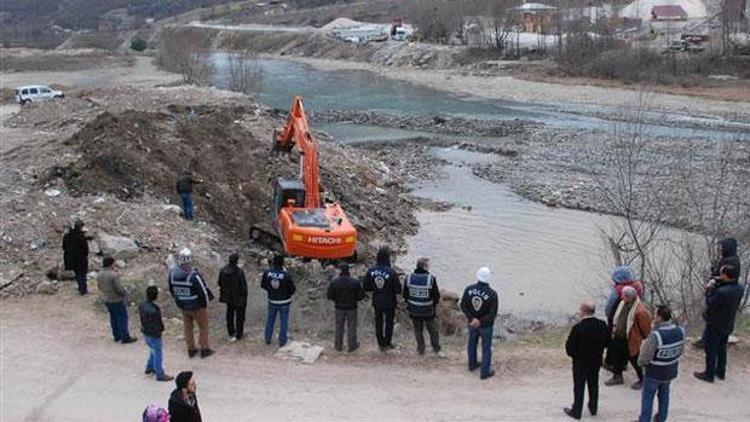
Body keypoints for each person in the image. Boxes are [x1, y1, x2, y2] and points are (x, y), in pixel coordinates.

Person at [694, 265, 745, 383]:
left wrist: (709, 289)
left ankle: (709, 374)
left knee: (710, 349)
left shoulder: (722, 292)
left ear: (726, 276)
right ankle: (721, 372)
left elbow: (710, 302)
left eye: (722, 274)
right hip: (728, 323)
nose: (720, 276)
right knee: (722, 348)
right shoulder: (739, 288)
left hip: (715, 324)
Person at [637, 305, 685, 422]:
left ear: (659, 317)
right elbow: (680, 350)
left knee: (648, 398)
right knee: (664, 395)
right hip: (670, 371)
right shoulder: (680, 331)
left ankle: (645, 420)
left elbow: (645, 357)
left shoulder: (656, 336)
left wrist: (641, 364)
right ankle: (661, 418)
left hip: (654, 372)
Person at [563, 300, 609, 420]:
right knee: (593, 384)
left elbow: (569, 348)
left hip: (580, 362)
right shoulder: (602, 325)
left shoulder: (578, 328)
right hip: (596, 360)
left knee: (579, 386)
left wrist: (575, 355)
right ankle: (593, 408)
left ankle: (576, 410)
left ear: (584, 312)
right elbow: (607, 342)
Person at [694, 238, 741, 349]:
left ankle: (707, 341)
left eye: (723, 248)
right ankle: (708, 339)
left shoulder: (729, 261)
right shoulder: (734, 259)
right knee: (721, 319)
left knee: (712, 316)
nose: (721, 250)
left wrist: (712, 283)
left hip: (720, 291)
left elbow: (723, 276)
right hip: (727, 293)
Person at [168, 248, 215, 358]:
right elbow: (203, 291)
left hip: (183, 306)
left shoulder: (172, 274)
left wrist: (178, 300)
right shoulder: (193, 276)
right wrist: (205, 304)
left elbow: (171, 290)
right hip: (197, 306)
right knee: (203, 327)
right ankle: (204, 349)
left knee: (187, 328)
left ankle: (191, 349)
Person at [605, 286, 651, 389]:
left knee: (634, 359)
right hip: (618, 335)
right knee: (617, 356)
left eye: (623, 296)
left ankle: (643, 378)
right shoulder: (622, 303)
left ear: (630, 298)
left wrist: (641, 338)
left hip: (631, 338)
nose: (621, 297)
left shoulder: (640, 310)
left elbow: (645, 328)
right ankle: (617, 376)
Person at [460, 267, 499, 380]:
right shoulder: (492, 294)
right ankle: (485, 372)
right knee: (486, 348)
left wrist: (472, 319)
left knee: (472, 344)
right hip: (486, 326)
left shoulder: (468, 289)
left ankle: (472, 364)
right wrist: (480, 321)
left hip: (472, 324)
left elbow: (463, 305)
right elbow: (493, 313)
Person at [603, 266, 644, 373]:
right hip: (632, 318)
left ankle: (611, 363)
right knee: (627, 341)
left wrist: (609, 316)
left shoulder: (618, 290)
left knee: (613, 341)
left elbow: (609, 306)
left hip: (617, 318)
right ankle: (624, 362)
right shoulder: (638, 286)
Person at [362, 246, 401, 351]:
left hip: (377, 300)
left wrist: (375, 289)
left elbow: (366, 286)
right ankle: (387, 342)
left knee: (378, 322)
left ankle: (380, 343)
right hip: (390, 301)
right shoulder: (391, 272)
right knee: (389, 322)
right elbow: (398, 289)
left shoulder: (371, 270)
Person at [403, 257, 443, 357]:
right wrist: (433, 306)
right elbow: (436, 296)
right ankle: (436, 348)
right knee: (433, 330)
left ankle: (421, 349)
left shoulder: (408, 278)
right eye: (428, 265)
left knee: (418, 330)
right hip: (428, 310)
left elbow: (405, 294)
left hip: (414, 309)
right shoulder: (430, 279)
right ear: (424, 267)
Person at [96, 256, 137, 344]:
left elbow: (99, 287)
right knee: (122, 317)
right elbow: (119, 289)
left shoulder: (99, 274)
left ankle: (116, 335)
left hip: (107, 299)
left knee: (113, 317)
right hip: (116, 299)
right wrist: (125, 294)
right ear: (111, 264)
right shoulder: (113, 275)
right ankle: (125, 337)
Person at [327, 264, 365, 352]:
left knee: (339, 327)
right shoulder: (355, 282)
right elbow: (360, 296)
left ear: (340, 271)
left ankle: (338, 345)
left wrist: (336, 299)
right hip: (352, 308)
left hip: (339, 307)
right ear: (349, 271)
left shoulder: (335, 282)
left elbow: (329, 295)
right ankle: (352, 346)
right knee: (352, 327)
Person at [261, 254, 296, 347]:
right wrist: (287, 295)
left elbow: (263, 285)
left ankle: (268, 339)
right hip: (284, 301)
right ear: (282, 263)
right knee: (284, 321)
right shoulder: (286, 275)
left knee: (270, 320)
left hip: (272, 300)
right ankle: (282, 341)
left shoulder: (267, 273)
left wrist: (271, 291)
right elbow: (292, 289)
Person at [139, 285, 173, 382]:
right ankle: (160, 374)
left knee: (152, 350)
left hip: (146, 332)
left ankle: (149, 367)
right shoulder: (154, 310)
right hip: (154, 334)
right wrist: (161, 330)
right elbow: (158, 324)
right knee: (158, 353)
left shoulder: (142, 305)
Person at [218, 253, 248, 342]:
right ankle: (239, 334)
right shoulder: (239, 272)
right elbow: (243, 286)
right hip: (239, 297)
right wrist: (245, 295)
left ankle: (231, 332)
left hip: (228, 297)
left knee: (230, 315)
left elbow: (219, 283)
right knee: (240, 316)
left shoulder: (222, 270)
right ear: (236, 261)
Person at [62, 219, 90, 295]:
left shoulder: (67, 236)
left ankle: (80, 287)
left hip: (70, 258)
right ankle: (83, 290)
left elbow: (64, 247)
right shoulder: (81, 236)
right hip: (80, 259)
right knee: (82, 273)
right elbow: (85, 249)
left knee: (77, 273)